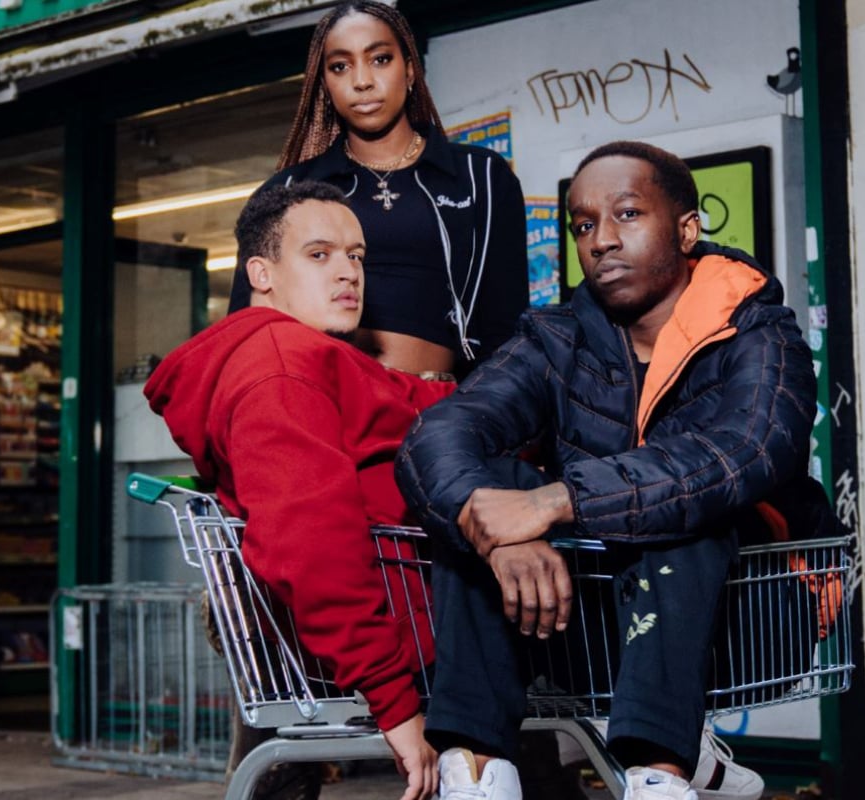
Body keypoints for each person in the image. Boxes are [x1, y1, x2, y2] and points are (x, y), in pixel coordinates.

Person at [396, 141, 820, 800]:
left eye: (626, 214)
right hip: (590, 624)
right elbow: (438, 435)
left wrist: (557, 502)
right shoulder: (555, 339)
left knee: (685, 511)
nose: (600, 241)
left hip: (749, 617)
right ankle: (479, 774)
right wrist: (504, 534)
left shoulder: (759, 332)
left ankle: (661, 775)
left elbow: (746, 451)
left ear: (686, 229)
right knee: (491, 487)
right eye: (584, 225)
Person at [145, 180, 454, 800]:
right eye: (319, 255)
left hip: (427, 610)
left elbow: (413, 405)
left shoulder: (314, 356)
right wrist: (392, 700)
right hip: (422, 625)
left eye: (356, 256)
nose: (347, 272)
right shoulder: (280, 368)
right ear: (261, 273)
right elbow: (312, 544)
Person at [227, 0, 529, 379]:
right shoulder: (291, 191)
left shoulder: (480, 175)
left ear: (411, 69)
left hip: (442, 412)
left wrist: (486, 421)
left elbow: (507, 326)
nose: (362, 81)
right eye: (340, 66)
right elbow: (247, 331)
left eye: (380, 59)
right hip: (319, 405)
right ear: (325, 85)